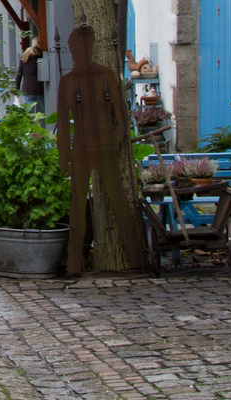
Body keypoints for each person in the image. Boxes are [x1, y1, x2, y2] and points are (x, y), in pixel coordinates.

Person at [54, 24, 145, 276]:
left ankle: (135, 257)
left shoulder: (105, 76)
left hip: (104, 147)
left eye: (78, 47)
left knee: (119, 203)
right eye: (72, 48)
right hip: (81, 148)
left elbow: (122, 116)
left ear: (90, 47)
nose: (75, 52)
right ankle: (75, 261)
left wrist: (116, 139)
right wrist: (64, 157)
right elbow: (63, 126)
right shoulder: (68, 81)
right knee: (77, 207)